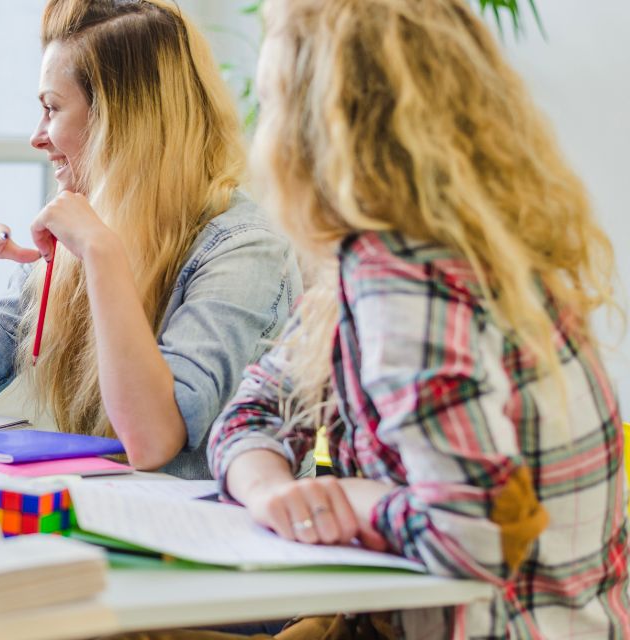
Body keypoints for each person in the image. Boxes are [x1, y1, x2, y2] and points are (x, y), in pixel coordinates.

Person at [207, 0, 628, 637]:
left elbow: (476, 535)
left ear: (317, 126)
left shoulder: (404, 277)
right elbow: (251, 411)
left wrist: (357, 500)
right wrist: (268, 490)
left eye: (270, 103)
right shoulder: (477, 250)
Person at [0, 0, 301, 479]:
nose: (37, 136)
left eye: (52, 109)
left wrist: (101, 254)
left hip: (214, 533)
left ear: (121, 122)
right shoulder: (82, 227)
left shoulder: (244, 249)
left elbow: (150, 442)